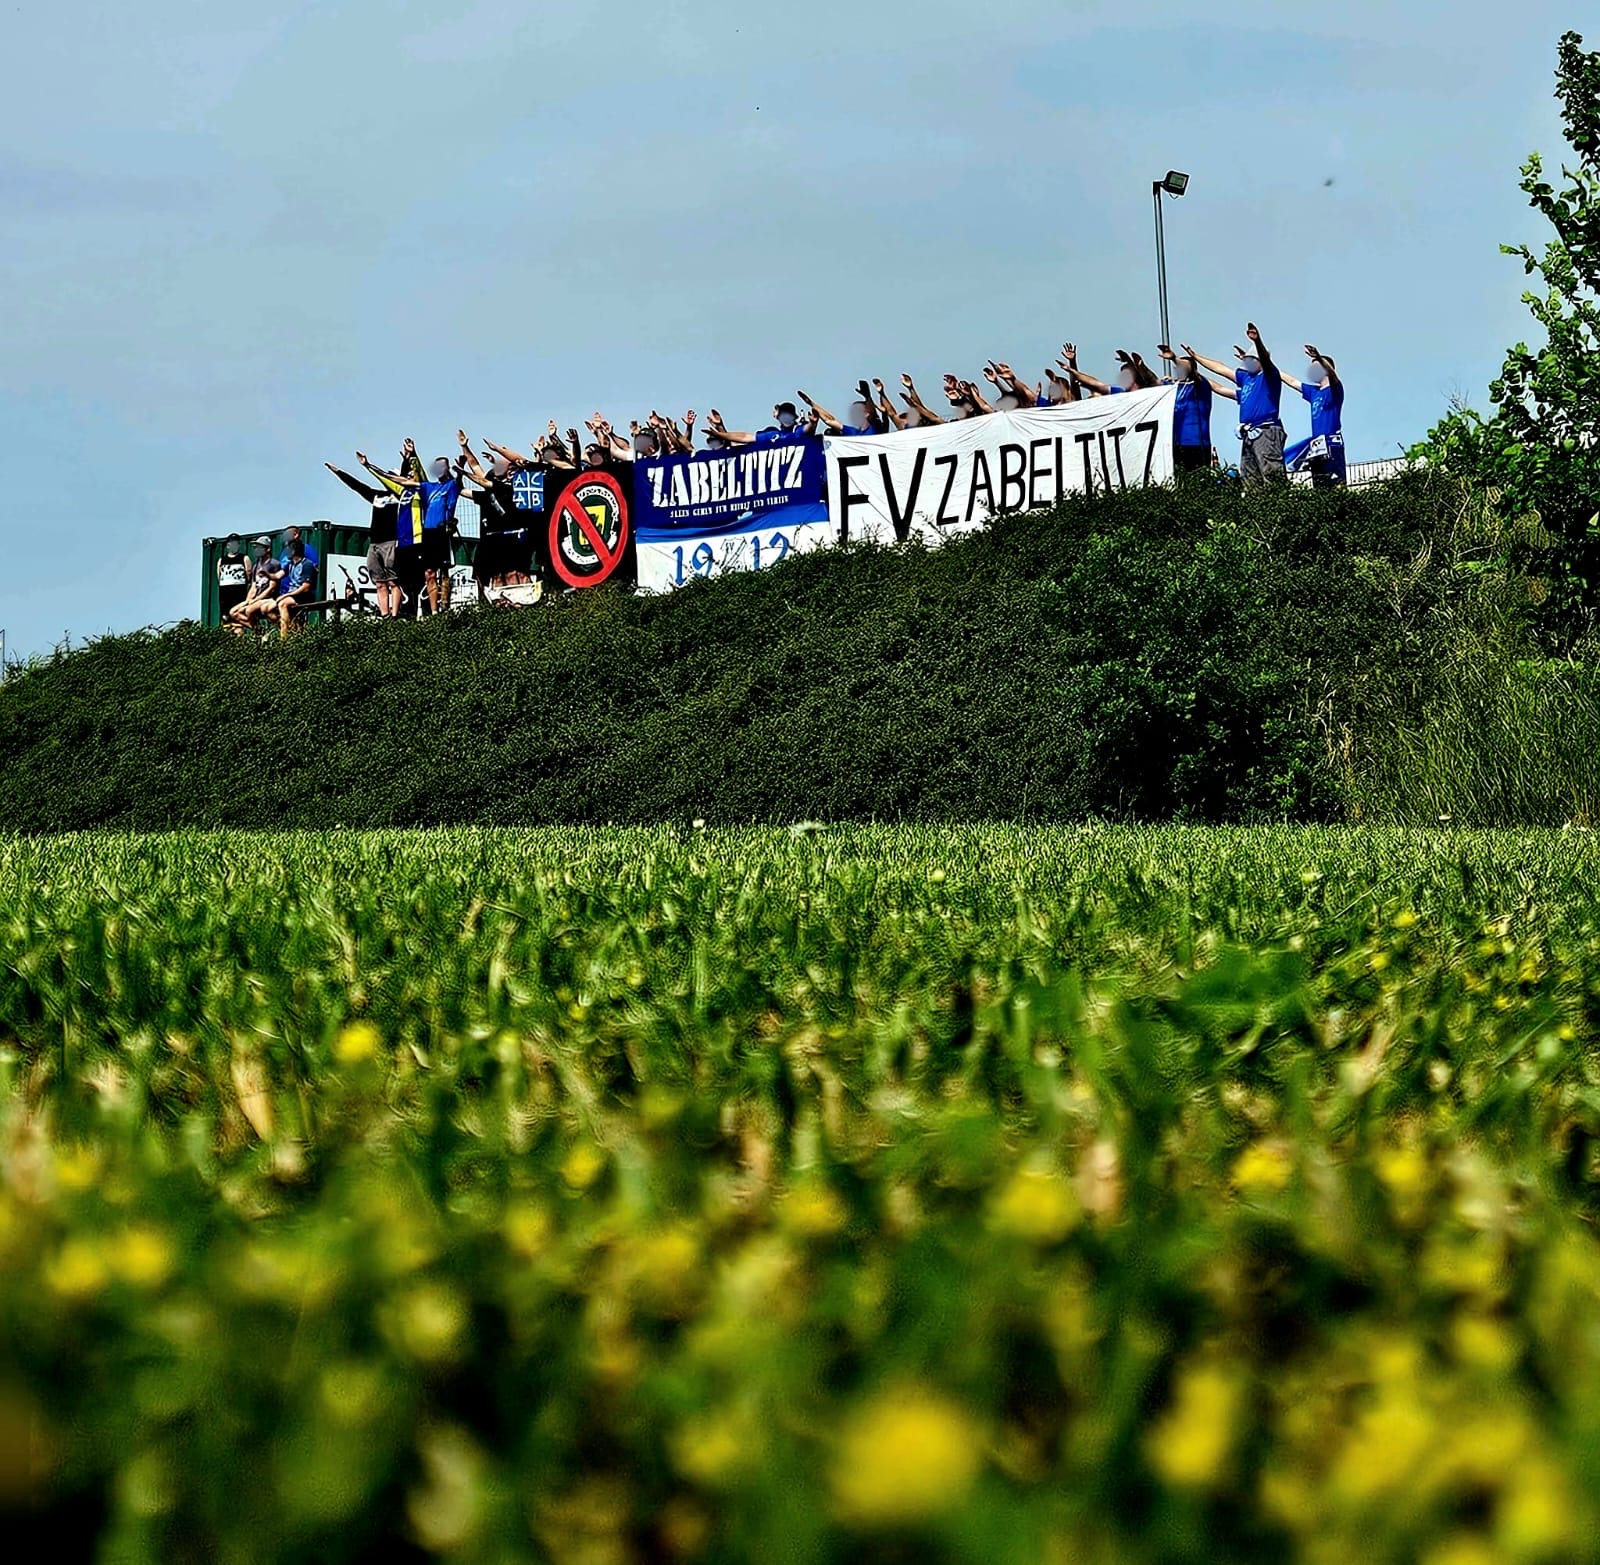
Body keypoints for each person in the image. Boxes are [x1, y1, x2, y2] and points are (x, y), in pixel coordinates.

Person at [1186, 324, 1287, 485]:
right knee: (1250, 478)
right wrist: (1195, 361)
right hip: (1249, 433)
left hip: (1266, 432)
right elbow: (1221, 373)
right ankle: (1256, 507)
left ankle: (1279, 507)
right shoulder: (1247, 380)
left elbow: (1267, 361)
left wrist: (1257, 341)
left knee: (1272, 476)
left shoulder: (1269, 376)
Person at [326, 462, 401, 616]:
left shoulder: (402, 497)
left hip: (391, 541)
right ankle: (385, 614)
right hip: (375, 543)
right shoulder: (377, 496)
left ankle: (395, 615)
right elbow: (357, 486)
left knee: (393, 580)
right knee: (379, 582)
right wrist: (338, 471)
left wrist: (407, 458)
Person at [1281, 345, 1347, 487]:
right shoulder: (1314, 392)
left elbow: (1334, 376)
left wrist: (1318, 357)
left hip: (1331, 444)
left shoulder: (1335, 389)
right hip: (1317, 446)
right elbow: (1292, 382)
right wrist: (1267, 365)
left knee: (1336, 484)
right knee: (1320, 485)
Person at [1156, 345, 1218, 474]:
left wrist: (1174, 358)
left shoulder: (1200, 386)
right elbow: (1150, 381)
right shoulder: (1174, 388)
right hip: (1176, 445)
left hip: (1197, 445)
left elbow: (1190, 370)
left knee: (1198, 485)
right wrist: (1138, 367)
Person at [274, 537, 317, 635]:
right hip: (292, 594)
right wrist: (266, 574)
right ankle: (291, 628)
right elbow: (278, 575)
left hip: (303, 596)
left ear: (294, 551)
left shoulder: (307, 565)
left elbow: (305, 587)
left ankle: (284, 638)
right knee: (272, 606)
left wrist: (286, 595)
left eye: (288, 550)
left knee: (282, 603)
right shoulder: (290, 564)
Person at [216, 536, 251, 622]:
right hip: (225, 592)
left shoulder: (244, 558)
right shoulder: (222, 560)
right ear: (228, 545)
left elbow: (249, 573)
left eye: (236, 543)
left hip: (239, 591)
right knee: (225, 617)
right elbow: (219, 576)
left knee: (238, 615)